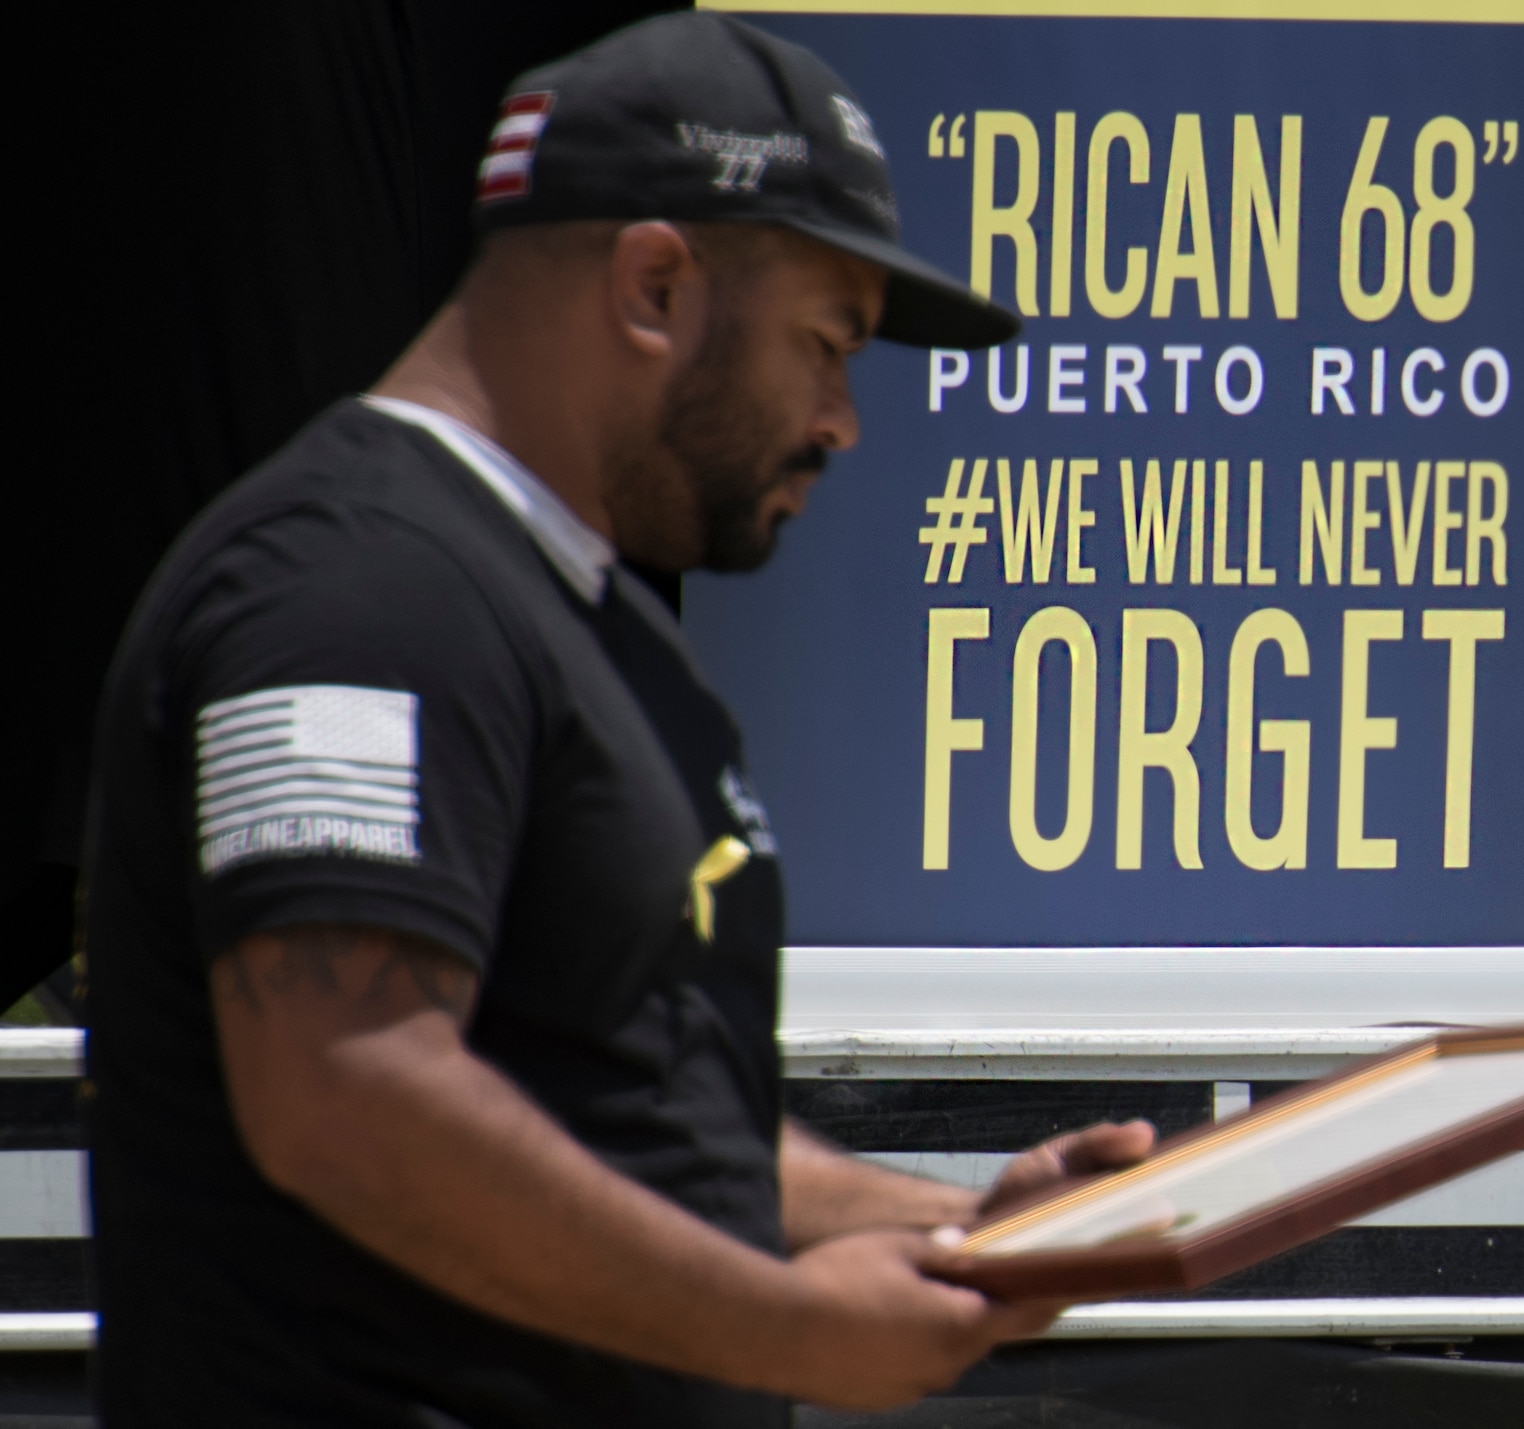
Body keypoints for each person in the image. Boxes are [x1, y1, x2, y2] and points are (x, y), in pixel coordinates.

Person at [82, 13, 1154, 1426]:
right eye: (826, 345)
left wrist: (966, 1228)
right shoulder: (351, 588)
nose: (843, 420)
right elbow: (347, 1097)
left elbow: (643, 1122)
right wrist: (784, 1327)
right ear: (655, 284)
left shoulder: (584, 623)